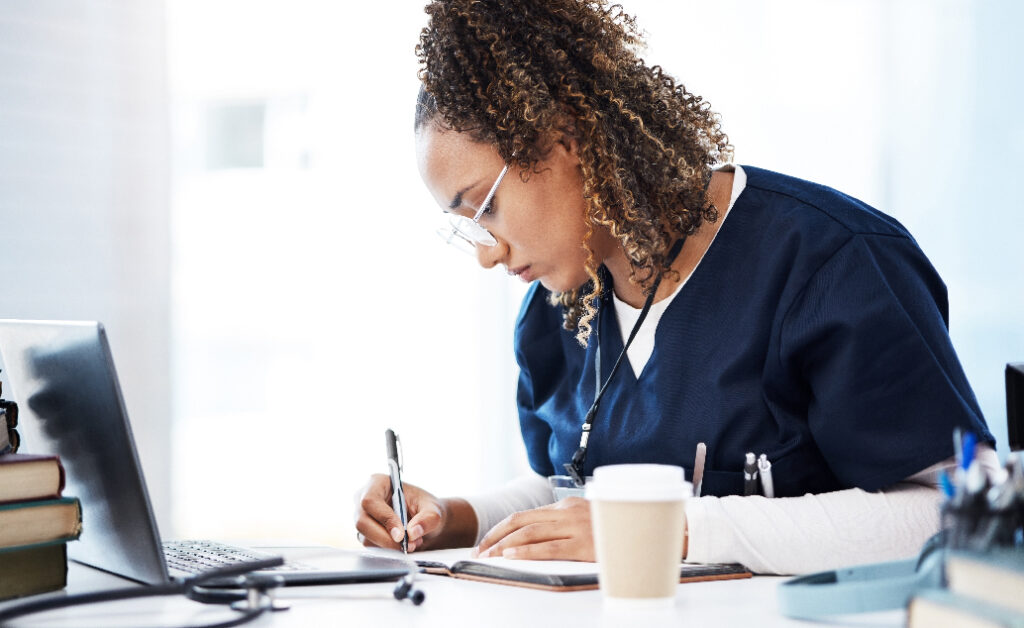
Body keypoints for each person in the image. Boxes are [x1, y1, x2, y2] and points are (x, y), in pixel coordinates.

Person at [354, 0, 997, 574]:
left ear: (566, 139)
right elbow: (574, 496)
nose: (486, 255)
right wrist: (454, 516)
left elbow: (947, 512)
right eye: (463, 229)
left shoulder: (834, 264)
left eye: (484, 209)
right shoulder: (557, 310)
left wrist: (668, 532)